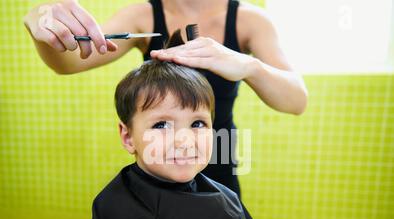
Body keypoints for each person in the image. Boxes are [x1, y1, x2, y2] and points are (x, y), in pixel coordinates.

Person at [24, 0, 308, 198]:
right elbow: (68, 62)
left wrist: (249, 66)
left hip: (218, 155)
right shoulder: (142, 16)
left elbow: (296, 100)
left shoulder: (250, 21)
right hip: (160, 162)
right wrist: (43, 24)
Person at [77, 41, 283, 219]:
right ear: (128, 136)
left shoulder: (228, 205)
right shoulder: (111, 207)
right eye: (161, 125)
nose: (184, 140)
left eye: (198, 123)